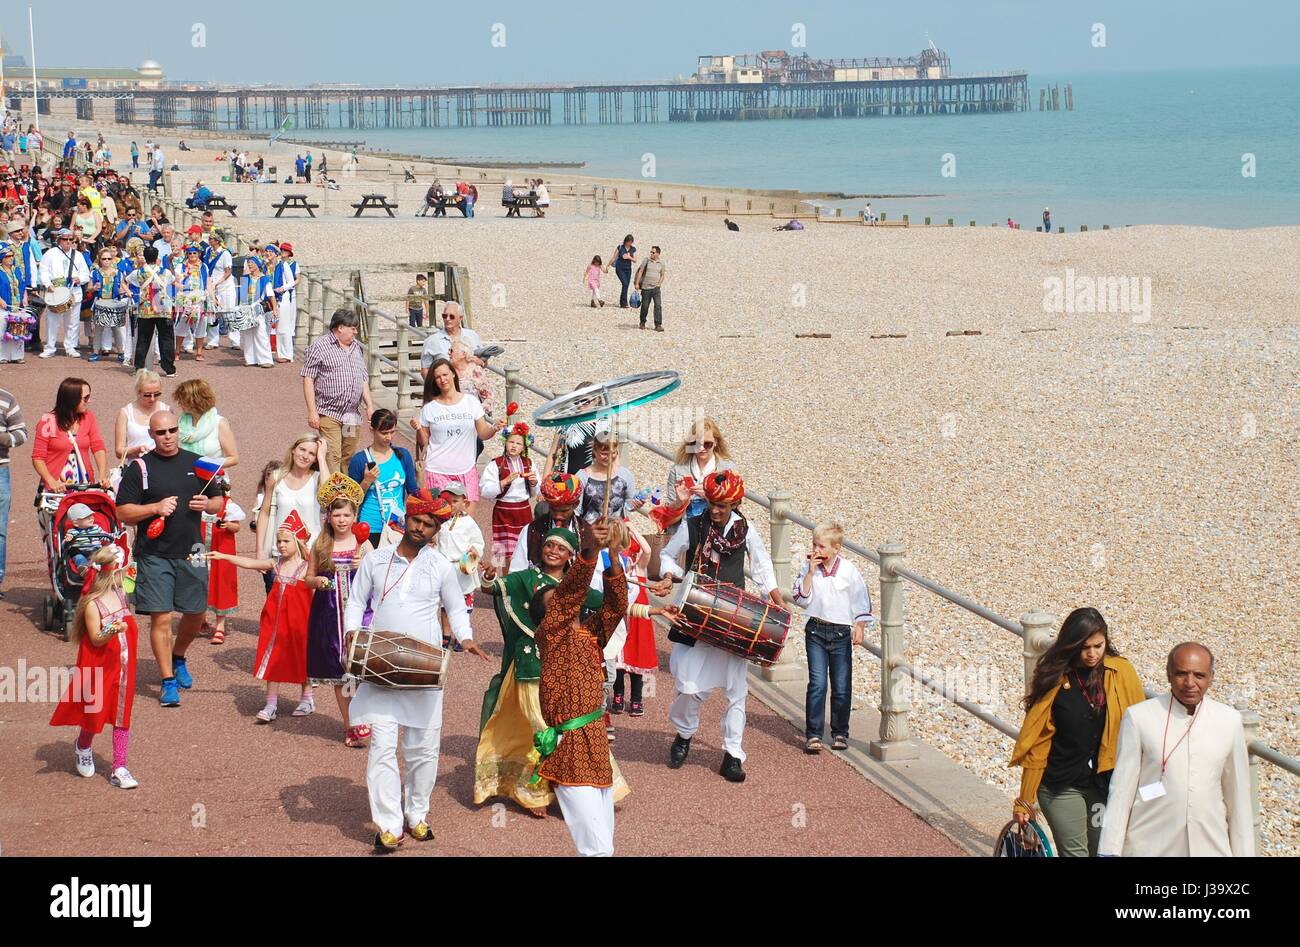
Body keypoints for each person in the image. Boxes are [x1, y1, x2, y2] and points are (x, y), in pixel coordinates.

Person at [344, 490, 489, 851]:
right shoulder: (376, 560)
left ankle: (417, 813)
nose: (420, 528)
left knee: (423, 747)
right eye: (416, 521)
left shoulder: (440, 566)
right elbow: (357, 599)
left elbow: (455, 607)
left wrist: (466, 636)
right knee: (380, 746)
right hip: (380, 663)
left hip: (424, 667)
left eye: (428, 524)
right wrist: (351, 633)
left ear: (435, 530)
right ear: (406, 519)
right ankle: (389, 824)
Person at [651, 470, 780, 782]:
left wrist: (775, 598)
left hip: (733, 616)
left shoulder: (746, 530)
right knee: (687, 685)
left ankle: (733, 754)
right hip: (695, 611)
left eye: (722, 505)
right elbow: (669, 555)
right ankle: (684, 733)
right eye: (712, 503)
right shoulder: (694, 525)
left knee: (737, 690)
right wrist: (668, 576)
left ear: (735, 503)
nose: (716, 510)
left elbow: (762, 565)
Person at [1010, 607, 1145, 857]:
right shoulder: (1055, 679)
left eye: (1098, 645)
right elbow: (1038, 744)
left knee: (1102, 851)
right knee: (1076, 854)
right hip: (1060, 785)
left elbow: (1141, 729)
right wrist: (1025, 800)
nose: (1092, 654)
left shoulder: (1121, 672)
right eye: (1084, 647)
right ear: (1071, 645)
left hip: (1103, 784)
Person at [1099, 642, 1254, 857]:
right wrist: (1109, 851)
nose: (1190, 683)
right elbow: (1121, 790)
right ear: (1168, 674)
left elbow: (1238, 799)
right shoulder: (1139, 717)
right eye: (1182, 674)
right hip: (1149, 844)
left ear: (1211, 677)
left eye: (1199, 675)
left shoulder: (1229, 720)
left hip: (1210, 846)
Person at [531, 517, 629, 855]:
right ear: (546, 616)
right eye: (555, 603)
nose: (564, 603)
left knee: (606, 844)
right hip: (570, 749)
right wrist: (589, 551)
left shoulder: (587, 636)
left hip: (597, 745)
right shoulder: (550, 636)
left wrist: (612, 556)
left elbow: (616, 607)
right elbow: (569, 597)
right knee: (597, 849)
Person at [115, 410, 225, 708]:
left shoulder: (196, 462)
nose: (168, 436)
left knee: (197, 614)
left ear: (179, 431)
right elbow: (122, 512)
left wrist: (210, 503)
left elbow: (218, 500)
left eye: (172, 430)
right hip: (153, 554)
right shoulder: (139, 467)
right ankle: (167, 681)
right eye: (161, 432)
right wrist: (154, 508)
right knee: (161, 617)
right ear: (151, 435)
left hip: (193, 552)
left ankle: (178, 657)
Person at [49, 545, 140, 789]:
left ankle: (119, 766)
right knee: (95, 713)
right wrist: (113, 629)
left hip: (123, 666)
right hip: (100, 668)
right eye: (124, 569)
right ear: (112, 573)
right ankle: (83, 745)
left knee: (122, 714)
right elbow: (98, 638)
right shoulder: (91, 604)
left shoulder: (121, 593)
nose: (130, 572)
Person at [791, 523, 872, 754]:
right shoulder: (808, 567)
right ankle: (814, 734)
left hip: (840, 634)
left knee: (841, 686)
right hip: (815, 630)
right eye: (814, 544)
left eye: (822, 546)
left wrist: (860, 625)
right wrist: (810, 573)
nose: (816, 550)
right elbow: (801, 597)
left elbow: (860, 599)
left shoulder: (849, 570)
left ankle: (840, 732)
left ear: (836, 548)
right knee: (817, 683)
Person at [306, 474, 367, 745]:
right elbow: (307, 577)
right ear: (328, 517)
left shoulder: (362, 545)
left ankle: (362, 716)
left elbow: (378, 578)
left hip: (359, 614)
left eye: (346, 514)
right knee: (339, 672)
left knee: (361, 669)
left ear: (355, 516)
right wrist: (317, 581)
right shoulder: (320, 545)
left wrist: (362, 565)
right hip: (329, 615)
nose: (342, 520)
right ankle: (349, 724)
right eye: (337, 514)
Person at [415, 357, 503, 505]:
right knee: (441, 523)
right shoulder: (429, 408)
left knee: (467, 523)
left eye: (445, 374)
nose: (442, 379)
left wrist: (494, 428)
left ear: (453, 374)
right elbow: (424, 441)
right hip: (437, 470)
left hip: (466, 469)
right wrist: (418, 428)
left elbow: (482, 433)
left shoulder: (471, 402)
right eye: (437, 377)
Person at [302, 309, 373, 475]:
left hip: (351, 415)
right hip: (329, 413)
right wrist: (312, 411)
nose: (355, 332)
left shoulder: (356, 348)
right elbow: (308, 379)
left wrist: (369, 405)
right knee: (332, 455)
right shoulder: (319, 347)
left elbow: (363, 378)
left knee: (348, 456)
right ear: (340, 328)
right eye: (353, 328)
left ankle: (345, 495)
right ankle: (333, 496)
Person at [347, 409, 419, 549]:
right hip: (370, 526)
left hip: (397, 525)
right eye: (384, 433)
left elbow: (413, 491)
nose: (389, 437)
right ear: (372, 430)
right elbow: (350, 499)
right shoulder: (360, 460)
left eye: (392, 432)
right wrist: (367, 481)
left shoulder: (402, 455)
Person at [255, 433, 328, 565]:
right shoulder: (276, 477)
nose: (305, 456)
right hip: (280, 552)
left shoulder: (317, 479)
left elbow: (329, 494)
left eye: (312, 453)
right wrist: (260, 550)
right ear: (293, 450)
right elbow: (264, 513)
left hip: (310, 552)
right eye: (302, 449)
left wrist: (322, 458)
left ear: (315, 459)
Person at [32, 378, 109, 491]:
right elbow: (37, 457)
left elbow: (98, 447)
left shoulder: (89, 417)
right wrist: (51, 481)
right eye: (85, 398)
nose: (89, 401)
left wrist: (102, 474)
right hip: (57, 487)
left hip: (84, 483)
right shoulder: (47, 421)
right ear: (72, 399)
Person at [434, 481, 484, 649]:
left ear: (465, 503)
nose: (451, 505)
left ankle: (461, 635)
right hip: (445, 568)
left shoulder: (469, 523)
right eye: (448, 501)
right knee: (445, 604)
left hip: (462, 569)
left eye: (455, 501)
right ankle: (446, 635)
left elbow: (478, 542)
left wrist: (474, 551)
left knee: (463, 605)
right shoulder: (441, 521)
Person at [480, 421, 538, 562]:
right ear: (505, 442)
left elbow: (535, 492)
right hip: (503, 510)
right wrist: (504, 482)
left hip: (523, 509)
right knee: (501, 553)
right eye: (511, 442)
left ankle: (517, 580)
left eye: (518, 444)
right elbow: (484, 490)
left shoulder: (529, 464)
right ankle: (501, 580)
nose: (514, 446)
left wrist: (533, 483)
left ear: (524, 447)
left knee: (523, 550)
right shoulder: (496, 464)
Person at [510, 472, 584, 573]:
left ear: (576, 505)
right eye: (553, 510)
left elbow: (596, 579)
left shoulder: (587, 532)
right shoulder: (532, 530)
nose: (558, 516)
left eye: (564, 511)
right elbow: (517, 571)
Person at [39, 229, 91, 358]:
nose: (68, 242)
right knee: (52, 321)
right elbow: (43, 271)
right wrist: (48, 284)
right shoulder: (50, 254)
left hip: (74, 292)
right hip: (55, 291)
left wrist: (80, 279)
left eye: (70, 240)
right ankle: (50, 348)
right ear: (59, 240)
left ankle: (70, 347)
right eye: (65, 239)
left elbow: (85, 274)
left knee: (72, 322)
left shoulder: (78, 255)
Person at [125, 246, 175, 376]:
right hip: (163, 309)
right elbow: (172, 281)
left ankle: (139, 368)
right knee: (166, 339)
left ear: (145, 257)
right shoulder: (166, 272)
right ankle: (169, 368)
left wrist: (129, 291)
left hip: (145, 309)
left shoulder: (138, 272)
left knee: (143, 339)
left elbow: (126, 280)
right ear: (157, 256)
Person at [174, 379, 238, 471]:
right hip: (184, 478)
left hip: (211, 479)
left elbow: (233, 458)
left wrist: (209, 464)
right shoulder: (179, 422)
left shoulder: (219, 423)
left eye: (182, 399)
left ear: (195, 400)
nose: (179, 403)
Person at [577, 429, 638, 523]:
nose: (609, 457)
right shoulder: (582, 477)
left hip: (616, 531)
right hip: (590, 531)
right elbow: (576, 510)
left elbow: (629, 506)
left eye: (613, 453)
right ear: (595, 451)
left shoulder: (625, 475)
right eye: (604, 454)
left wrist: (636, 504)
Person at [0, 387, 27, 599]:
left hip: (0, 471)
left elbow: (21, 434)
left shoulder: (7, 398)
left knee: (0, 532)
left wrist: (3, 438)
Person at [418, 301, 482, 377]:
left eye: (451, 316)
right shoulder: (431, 341)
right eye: (444, 316)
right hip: (445, 387)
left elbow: (484, 361)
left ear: (461, 318)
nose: (447, 319)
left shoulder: (472, 336)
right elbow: (425, 370)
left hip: (471, 385)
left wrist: (481, 362)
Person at [238, 255, 276, 369]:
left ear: (258, 265)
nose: (250, 265)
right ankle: (250, 359)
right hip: (246, 307)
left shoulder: (264, 279)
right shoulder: (245, 278)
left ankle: (266, 359)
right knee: (247, 334)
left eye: (252, 263)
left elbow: (270, 295)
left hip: (258, 308)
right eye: (249, 263)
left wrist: (275, 308)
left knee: (261, 333)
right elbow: (242, 296)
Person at [172, 243, 209, 360]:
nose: (192, 255)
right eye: (190, 253)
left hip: (200, 297)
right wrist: (180, 287)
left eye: (194, 253)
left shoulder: (204, 267)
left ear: (198, 254)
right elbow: (175, 281)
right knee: (183, 323)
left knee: (202, 324)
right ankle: (177, 350)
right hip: (186, 297)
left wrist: (209, 295)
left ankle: (199, 351)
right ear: (187, 254)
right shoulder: (181, 267)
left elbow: (207, 281)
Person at [205, 231, 238, 350]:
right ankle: (212, 341)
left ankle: (235, 341)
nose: (209, 239)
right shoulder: (208, 251)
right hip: (212, 287)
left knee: (229, 313)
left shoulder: (225, 254)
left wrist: (217, 283)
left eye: (212, 238)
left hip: (225, 287)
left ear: (218, 240)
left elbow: (228, 272)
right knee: (212, 313)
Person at [0, 241, 32, 363]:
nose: (11, 258)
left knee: (18, 330)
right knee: (2, 331)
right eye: (7, 256)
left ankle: (17, 356)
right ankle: (2, 356)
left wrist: (24, 297)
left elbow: (22, 285)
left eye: (12, 255)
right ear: (1, 258)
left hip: (17, 305)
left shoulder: (16, 270)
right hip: (4, 305)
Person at [271, 243, 299, 362]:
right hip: (279, 295)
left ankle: (287, 354)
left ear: (288, 253)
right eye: (281, 250)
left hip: (285, 296)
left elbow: (294, 280)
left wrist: (283, 288)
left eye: (284, 250)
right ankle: (282, 353)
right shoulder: (279, 264)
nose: (282, 251)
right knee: (279, 325)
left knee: (285, 325)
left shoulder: (289, 265)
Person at [633, 245, 667, 332]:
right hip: (646, 288)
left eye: (653, 252)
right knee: (645, 306)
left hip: (656, 288)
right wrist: (637, 283)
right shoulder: (646, 260)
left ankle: (658, 325)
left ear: (658, 254)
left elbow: (662, 275)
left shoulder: (661, 263)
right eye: (651, 252)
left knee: (658, 306)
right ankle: (642, 322)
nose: (651, 253)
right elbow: (640, 271)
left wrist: (659, 284)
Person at [611, 234, 636, 308]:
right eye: (628, 242)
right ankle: (624, 303)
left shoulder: (633, 249)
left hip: (628, 269)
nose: (629, 243)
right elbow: (613, 257)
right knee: (625, 284)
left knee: (626, 285)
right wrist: (607, 266)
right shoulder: (620, 247)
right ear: (625, 241)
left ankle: (622, 303)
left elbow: (635, 260)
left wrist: (629, 257)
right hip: (620, 268)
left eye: (631, 242)